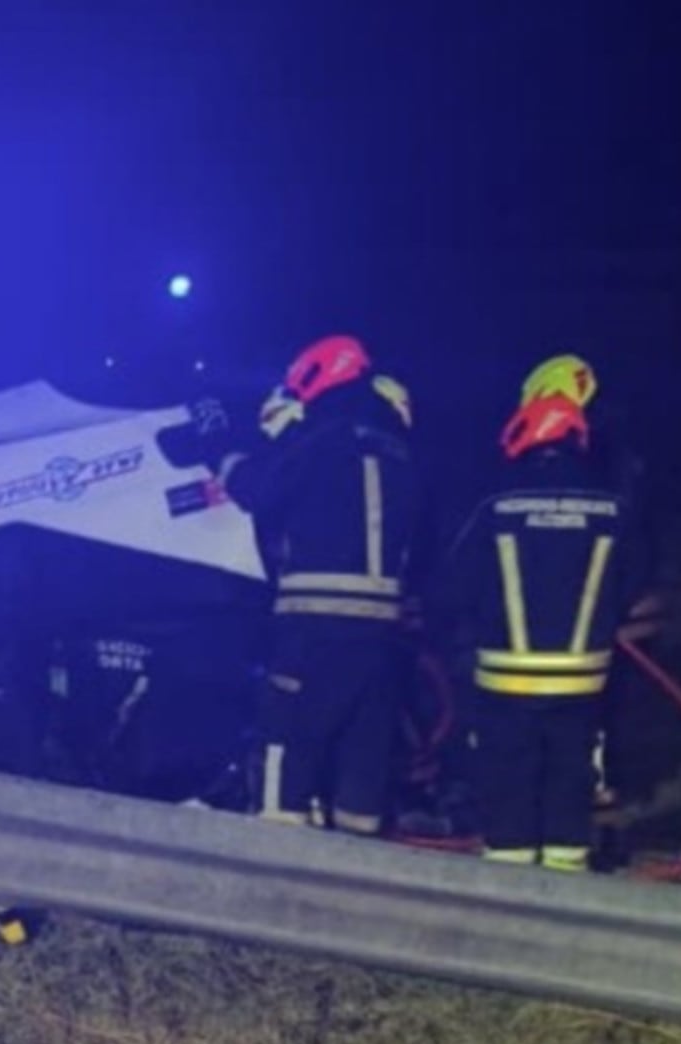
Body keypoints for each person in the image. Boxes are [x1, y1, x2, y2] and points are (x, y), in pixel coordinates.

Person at [440, 369, 651, 872]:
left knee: (508, 769)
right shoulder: (614, 510)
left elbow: (455, 582)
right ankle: (566, 870)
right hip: (583, 676)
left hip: (505, 674)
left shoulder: (497, 507)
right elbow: (634, 580)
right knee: (569, 772)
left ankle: (510, 869)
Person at [217, 335, 420, 835]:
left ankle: (277, 848)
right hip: (382, 634)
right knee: (365, 744)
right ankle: (356, 869)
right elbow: (427, 544)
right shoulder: (401, 452)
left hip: (313, 624)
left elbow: (262, 491)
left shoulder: (317, 440)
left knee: (286, 731)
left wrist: (224, 461)